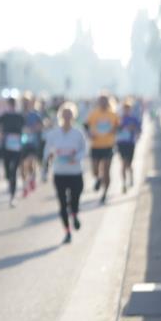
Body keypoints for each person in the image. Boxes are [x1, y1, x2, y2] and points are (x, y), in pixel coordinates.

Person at [44, 102, 88, 244]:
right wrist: (48, 160)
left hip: (75, 172)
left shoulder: (78, 133)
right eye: (65, 114)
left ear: (73, 116)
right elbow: (47, 151)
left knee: (75, 199)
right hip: (60, 173)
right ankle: (67, 232)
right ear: (60, 116)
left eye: (69, 115)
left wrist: (76, 158)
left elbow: (84, 150)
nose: (67, 117)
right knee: (62, 204)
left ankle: (74, 215)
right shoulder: (53, 134)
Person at [85, 94, 119, 204]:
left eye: (105, 101)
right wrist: (89, 134)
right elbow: (86, 125)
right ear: (98, 102)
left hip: (108, 146)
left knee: (106, 170)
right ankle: (99, 179)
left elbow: (118, 126)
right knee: (95, 170)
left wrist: (114, 130)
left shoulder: (113, 114)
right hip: (95, 145)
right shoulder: (94, 113)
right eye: (101, 101)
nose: (103, 103)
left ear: (108, 102)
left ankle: (105, 193)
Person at [0, 97, 25, 205]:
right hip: (6, 146)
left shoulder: (20, 116)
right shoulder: (4, 116)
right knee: (7, 170)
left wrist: (23, 137)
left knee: (13, 170)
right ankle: (10, 183)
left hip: (17, 147)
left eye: (13, 104)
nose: (12, 106)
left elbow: (26, 128)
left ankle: (12, 195)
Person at [115, 99, 141, 193]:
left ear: (130, 109)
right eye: (125, 108)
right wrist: (121, 127)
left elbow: (139, 130)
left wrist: (135, 132)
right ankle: (124, 183)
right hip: (121, 143)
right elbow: (115, 129)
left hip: (130, 143)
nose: (126, 110)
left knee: (129, 164)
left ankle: (131, 177)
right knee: (123, 163)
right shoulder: (119, 119)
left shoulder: (134, 119)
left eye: (128, 108)